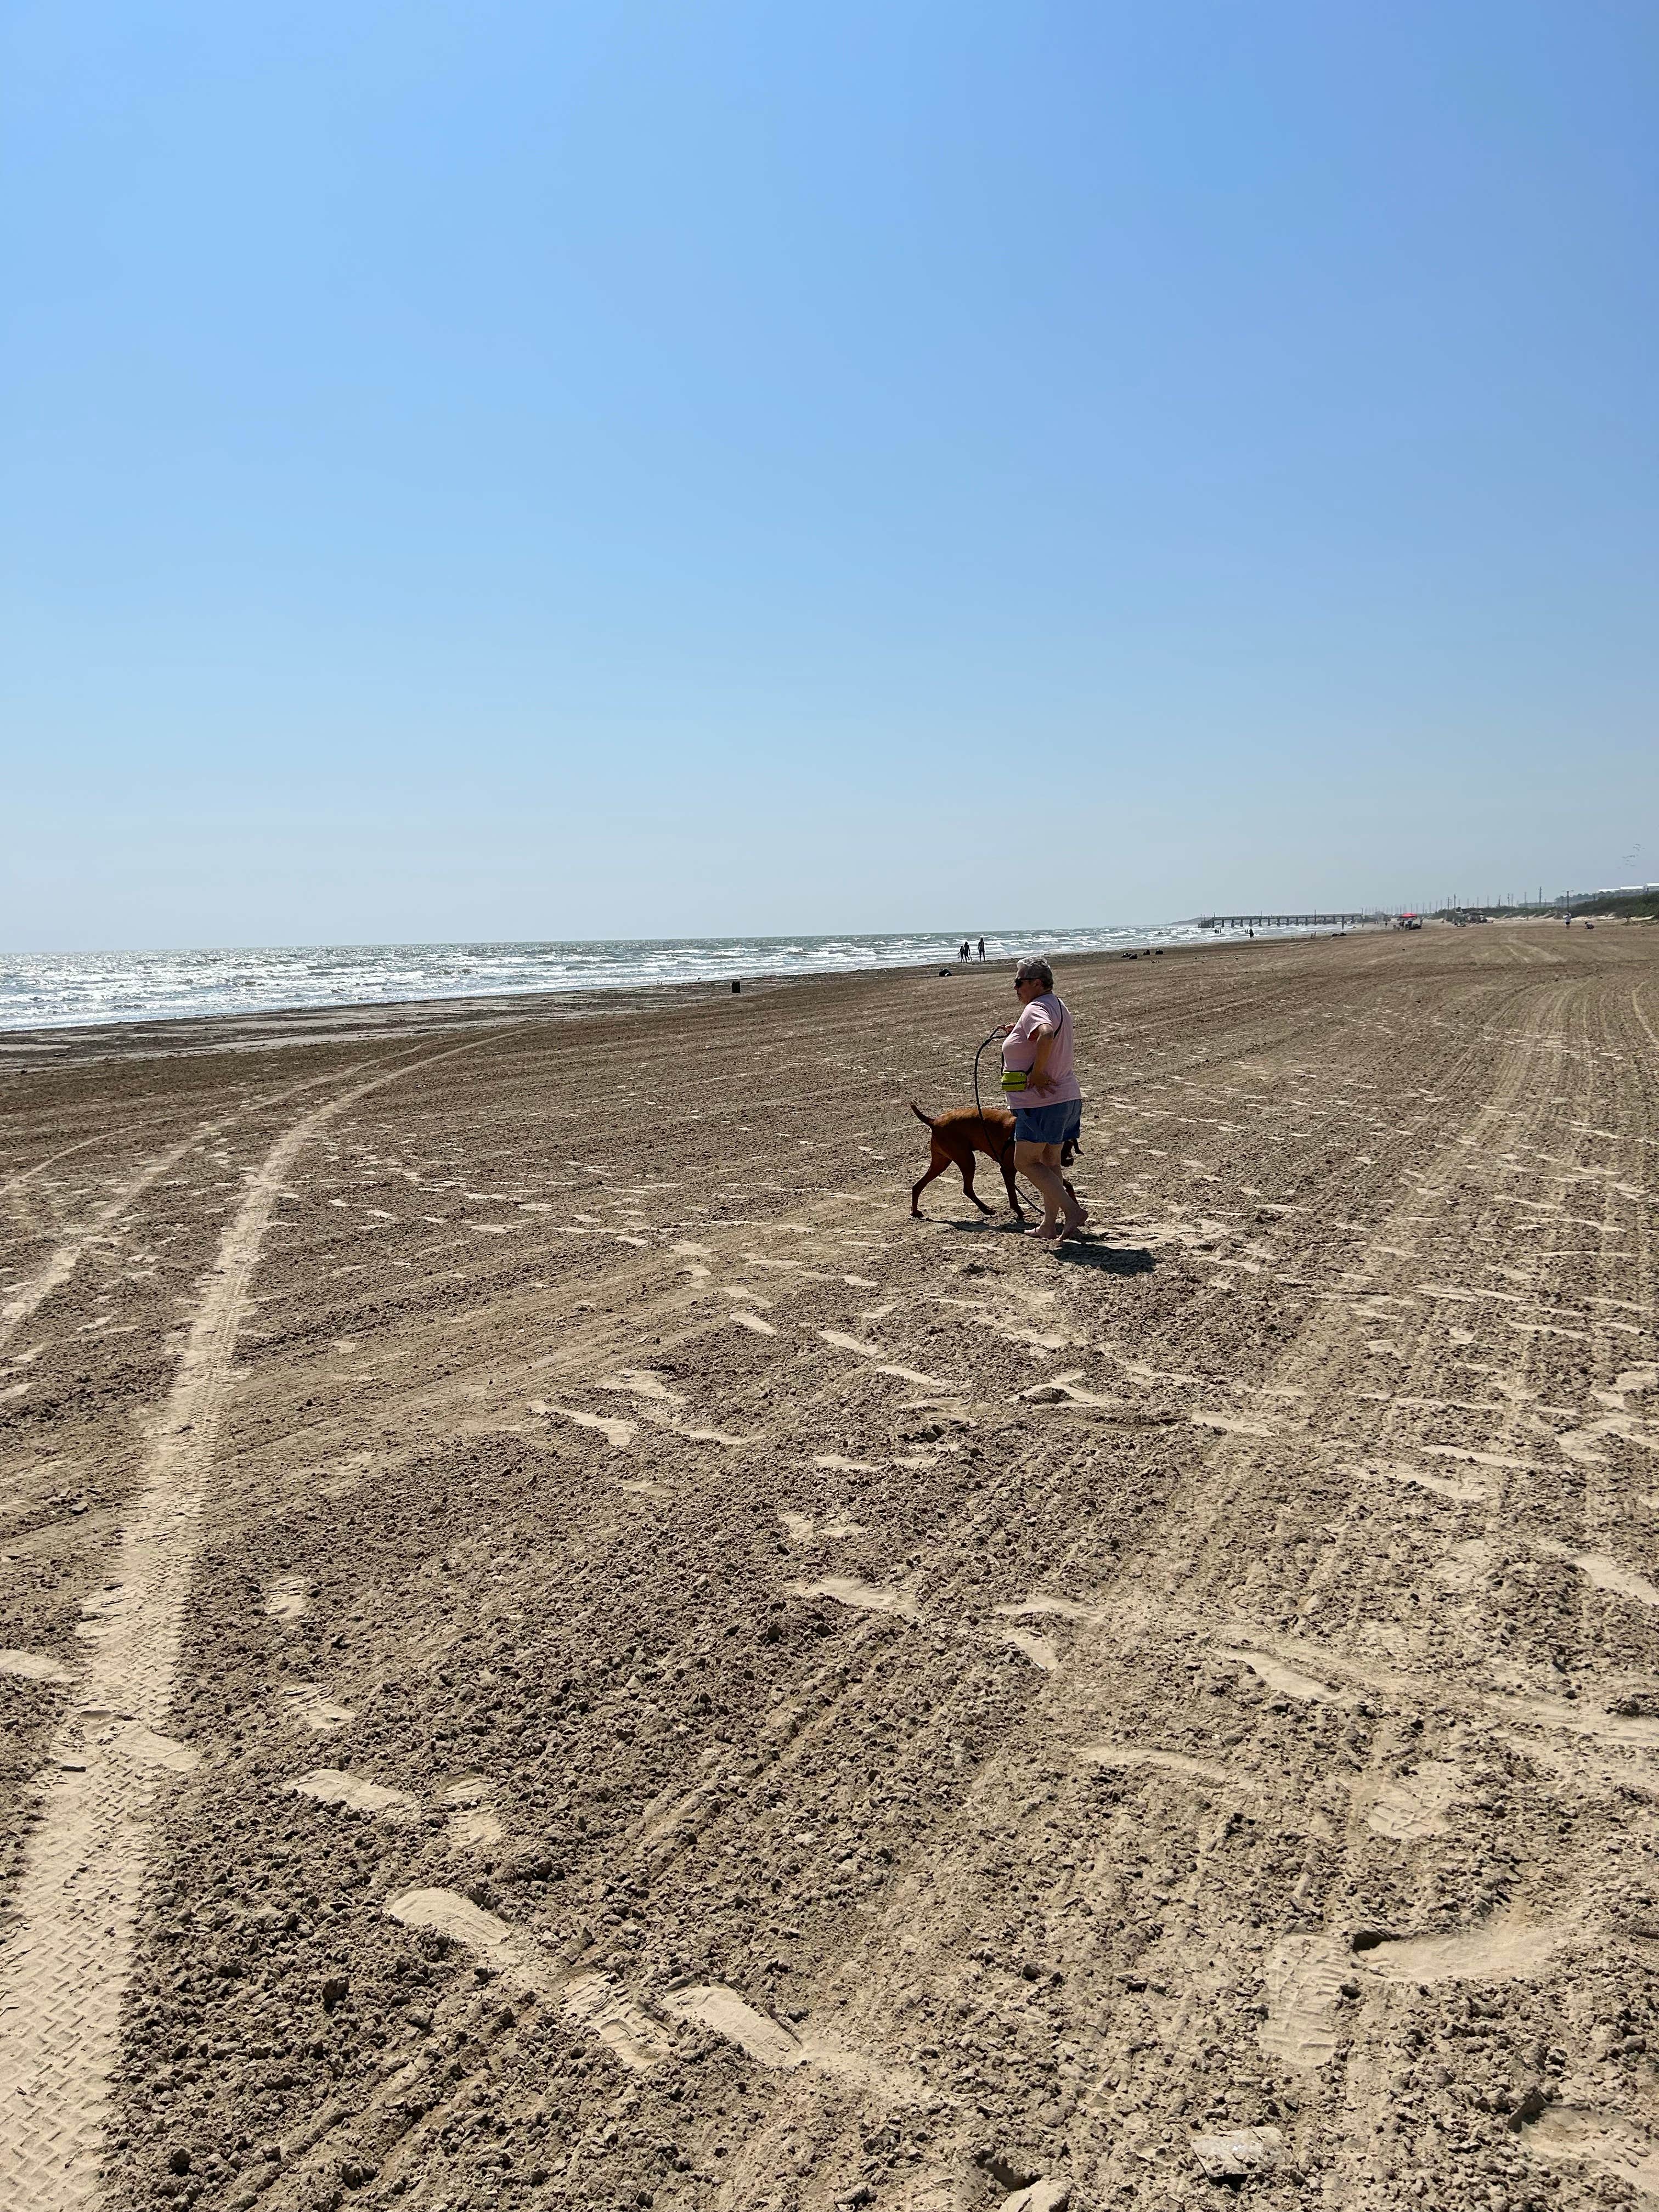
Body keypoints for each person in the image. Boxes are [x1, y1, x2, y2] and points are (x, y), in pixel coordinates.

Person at [998, 956, 1086, 1244]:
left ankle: (1072, 1211)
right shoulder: (1057, 1005)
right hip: (1065, 1098)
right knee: (1050, 1162)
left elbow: (1046, 1035)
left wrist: (1036, 1074)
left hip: (1041, 1103)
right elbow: (1044, 1037)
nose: (1015, 988)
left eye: (1019, 982)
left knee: (1024, 1162)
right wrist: (1018, 1035)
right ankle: (1049, 1225)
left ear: (1037, 984)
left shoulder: (1036, 1008)